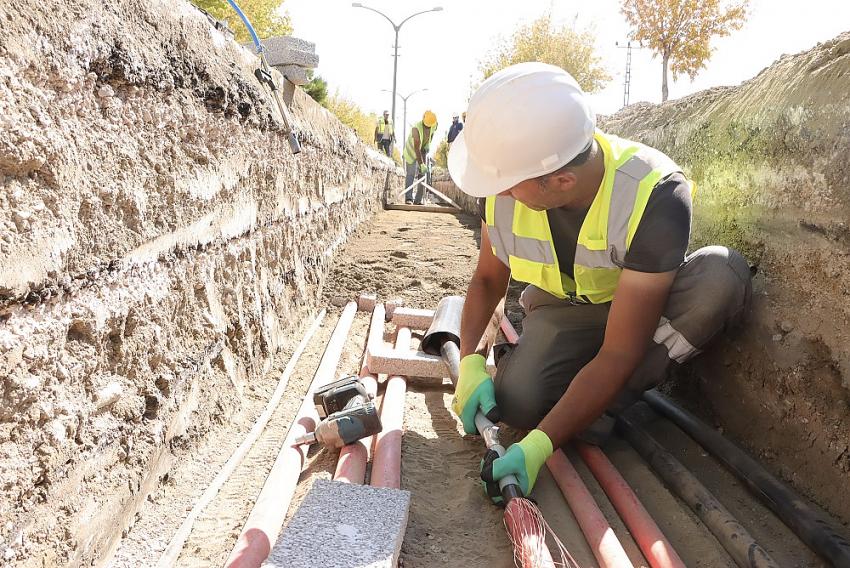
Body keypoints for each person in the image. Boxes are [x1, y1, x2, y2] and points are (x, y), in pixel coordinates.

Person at [447, 62, 752, 498]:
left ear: (561, 180)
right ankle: (583, 404)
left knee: (720, 277)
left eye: (510, 186)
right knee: (517, 403)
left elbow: (620, 349)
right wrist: (472, 362)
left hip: (640, 319)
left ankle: (603, 405)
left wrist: (539, 446)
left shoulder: (656, 193)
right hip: (562, 311)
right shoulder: (509, 192)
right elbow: (488, 282)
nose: (499, 195)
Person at [403, 110, 438, 204]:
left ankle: (418, 200)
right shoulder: (415, 129)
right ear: (423, 121)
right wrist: (421, 164)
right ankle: (408, 198)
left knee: (422, 175)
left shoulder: (433, 124)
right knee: (411, 174)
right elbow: (416, 148)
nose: (428, 128)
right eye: (426, 126)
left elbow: (433, 132)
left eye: (429, 127)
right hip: (411, 152)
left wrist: (428, 143)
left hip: (422, 149)